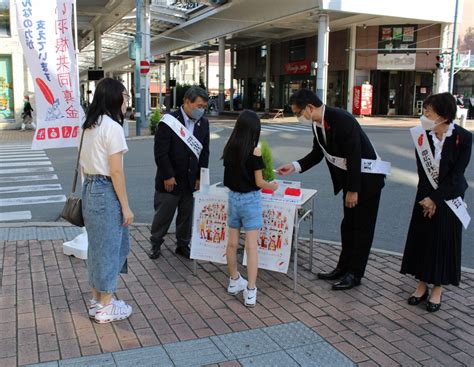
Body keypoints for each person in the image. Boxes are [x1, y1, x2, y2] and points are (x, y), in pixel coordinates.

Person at [277, 89, 389, 290]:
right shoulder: (317, 124)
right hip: (352, 180)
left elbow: (355, 155)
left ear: (310, 108)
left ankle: (355, 274)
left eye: (298, 112)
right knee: (348, 226)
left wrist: (353, 190)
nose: (298, 117)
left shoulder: (342, 119)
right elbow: (317, 154)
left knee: (362, 229)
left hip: (368, 181)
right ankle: (342, 268)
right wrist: (294, 166)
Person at [401, 92, 472, 312]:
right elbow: (422, 173)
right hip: (425, 197)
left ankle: (437, 288)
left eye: (428, 113)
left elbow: (457, 175)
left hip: (449, 199)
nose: (424, 117)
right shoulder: (422, 136)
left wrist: (435, 199)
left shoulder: (463, 138)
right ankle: (422, 283)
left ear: (442, 115)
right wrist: (426, 199)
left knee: (443, 242)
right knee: (423, 240)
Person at [80, 78, 134, 323]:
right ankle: (105, 305)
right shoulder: (112, 127)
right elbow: (117, 172)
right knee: (112, 248)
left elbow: (82, 165)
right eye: (125, 96)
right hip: (104, 189)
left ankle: (96, 301)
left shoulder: (89, 125)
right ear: (115, 98)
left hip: (90, 189)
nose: (126, 101)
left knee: (97, 248)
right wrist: (125, 206)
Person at [222, 110, 278, 307]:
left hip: (233, 199)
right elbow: (259, 181)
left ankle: (234, 280)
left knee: (232, 243)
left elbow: (228, 178)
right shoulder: (255, 151)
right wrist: (272, 185)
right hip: (250, 201)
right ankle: (251, 291)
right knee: (251, 247)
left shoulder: (230, 148)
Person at [149, 86, 210, 259]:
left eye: (204, 107)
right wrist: (168, 176)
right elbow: (160, 153)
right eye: (198, 105)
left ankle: (183, 244)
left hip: (190, 180)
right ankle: (155, 243)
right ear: (186, 102)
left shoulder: (203, 123)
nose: (201, 110)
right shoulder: (169, 121)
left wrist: (200, 176)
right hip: (170, 180)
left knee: (186, 215)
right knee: (163, 215)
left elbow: (204, 152)